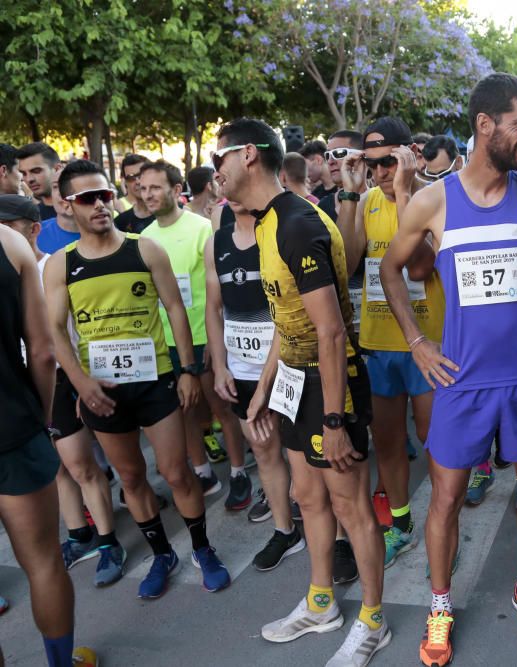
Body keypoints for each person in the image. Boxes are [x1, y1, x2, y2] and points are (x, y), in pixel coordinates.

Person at [379, 73, 517, 666]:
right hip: (461, 378)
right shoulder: (433, 200)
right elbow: (394, 271)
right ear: (485, 125)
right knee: (446, 498)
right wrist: (416, 340)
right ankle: (439, 605)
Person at [213, 118, 389, 665]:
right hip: (292, 380)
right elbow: (285, 319)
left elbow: (332, 330)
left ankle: (373, 621)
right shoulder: (264, 223)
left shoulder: (296, 223)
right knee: (307, 497)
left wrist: (335, 421)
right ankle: (321, 604)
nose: (213, 171)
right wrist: (264, 389)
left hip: (330, 385)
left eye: (218, 159)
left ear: (247, 156)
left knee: (350, 505)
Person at [43, 159, 230, 600]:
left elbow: (175, 309)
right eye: (88, 199)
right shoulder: (61, 265)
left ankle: (203, 549)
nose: (101, 205)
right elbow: (54, 330)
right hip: (103, 391)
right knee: (130, 477)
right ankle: (161, 553)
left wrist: (187, 369)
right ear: (68, 206)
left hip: (155, 382)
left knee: (176, 472)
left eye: (106, 195)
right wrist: (81, 384)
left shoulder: (144, 248)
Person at [0, 194, 125, 587]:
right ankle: (79, 534)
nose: (3, 231)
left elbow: (57, 339)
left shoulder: (50, 267)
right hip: (23, 389)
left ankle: (108, 543)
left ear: (33, 228)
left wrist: (72, 382)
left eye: (10, 223)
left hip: (59, 380)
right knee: (56, 472)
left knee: (81, 466)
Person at [337, 116, 444, 569]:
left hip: (428, 342)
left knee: (434, 442)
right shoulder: (365, 203)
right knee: (388, 442)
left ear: (409, 156)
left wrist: (403, 193)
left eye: (387, 162)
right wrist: (347, 193)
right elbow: (346, 260)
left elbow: (419, 268)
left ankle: (444, 527)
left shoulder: (433, 200)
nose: (379, 172)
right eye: (372, 163)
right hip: (379, 342)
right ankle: (401, 523)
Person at [0, 211, 101, 666]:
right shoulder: (10, 242)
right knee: (42, 561)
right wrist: (38, 418)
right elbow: (42, 352)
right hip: (13, 428)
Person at [139, 160, 249, 505]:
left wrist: (212, 340)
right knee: (182, 411)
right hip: (166, 343)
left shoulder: (203, 229)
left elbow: (215, 291)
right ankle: (201, 471)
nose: (147, 194)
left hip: (205, 338)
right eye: (142, 189)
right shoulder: (143, 238)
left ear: (175, 190)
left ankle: (238, 472)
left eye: (155, 187)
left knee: (222, 409)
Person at [204, 197, 305, 571]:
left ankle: (334, 532)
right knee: (263, 450)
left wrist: (269, 373)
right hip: (242, 369)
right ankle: (284, 530)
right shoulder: (216, 242)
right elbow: (213, 308)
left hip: (289, 364)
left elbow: (291, 308)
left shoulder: (279, 235)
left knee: (307, 456)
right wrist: (220, 366)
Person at [114, 154, 155, 234]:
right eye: (130, 177)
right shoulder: (120, 223)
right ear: (125, 182)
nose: (137, 182)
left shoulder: (176, 212)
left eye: (141, 175)